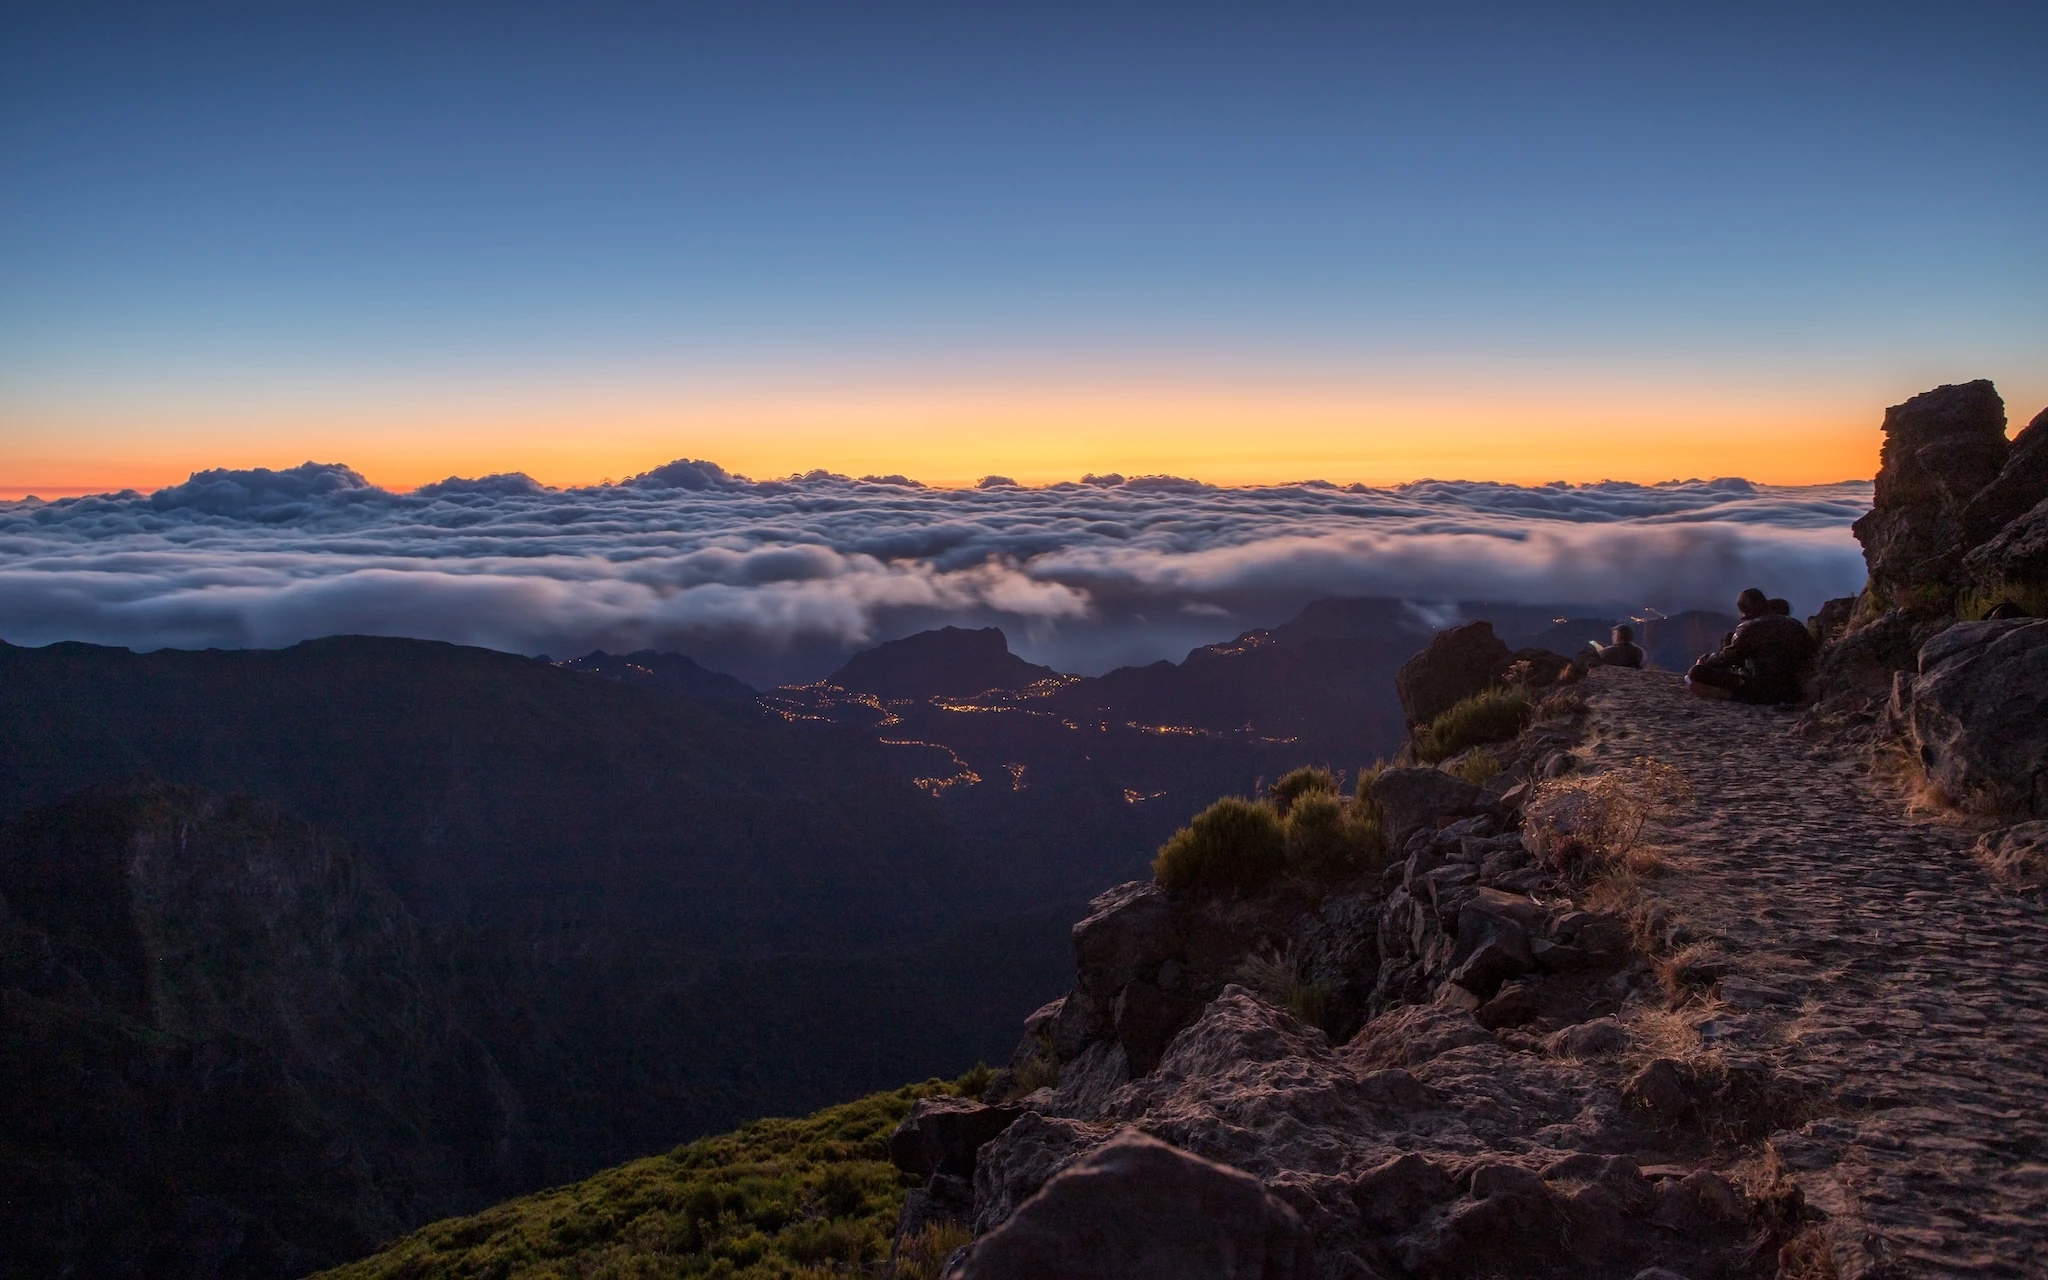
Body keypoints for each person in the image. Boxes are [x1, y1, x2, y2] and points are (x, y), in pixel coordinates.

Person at [1687, 587, 1818, 704]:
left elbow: (1728, 658)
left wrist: (1706, 660)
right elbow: (1810, 651)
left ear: (1744, 610)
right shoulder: (1794, 624)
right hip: (1795, 690)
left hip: (1762, 689)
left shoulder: (1749, 628)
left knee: (1696, 672)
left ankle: (1731, 694)